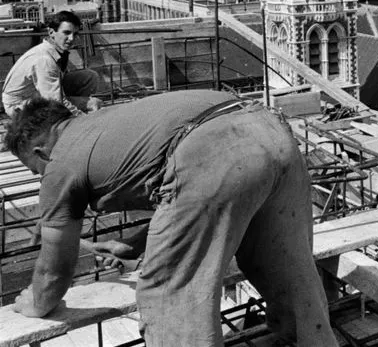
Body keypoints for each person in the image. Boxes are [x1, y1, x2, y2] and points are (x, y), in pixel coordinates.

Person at [5, 90, 338, 347]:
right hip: (269, 129)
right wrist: (134, 244)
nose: (41, 178)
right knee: (287, 265)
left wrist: (36, 302)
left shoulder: (59, 162)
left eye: (35, 171)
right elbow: (186, 191)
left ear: (39, 153)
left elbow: (54, 269)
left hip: (212, 150)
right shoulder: (105, 121)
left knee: (168, 293)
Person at [2, 10, 102, 116]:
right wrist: (83, 119)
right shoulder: (44, 60)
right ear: (51, 33)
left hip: (40, 94)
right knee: (92, 103)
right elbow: (56, 102)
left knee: (89, 77)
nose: (71, 38)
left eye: (75, 33)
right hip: (21, 105)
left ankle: (67, 117)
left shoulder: (56, 51)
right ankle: (64, 123)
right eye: (66, 33)